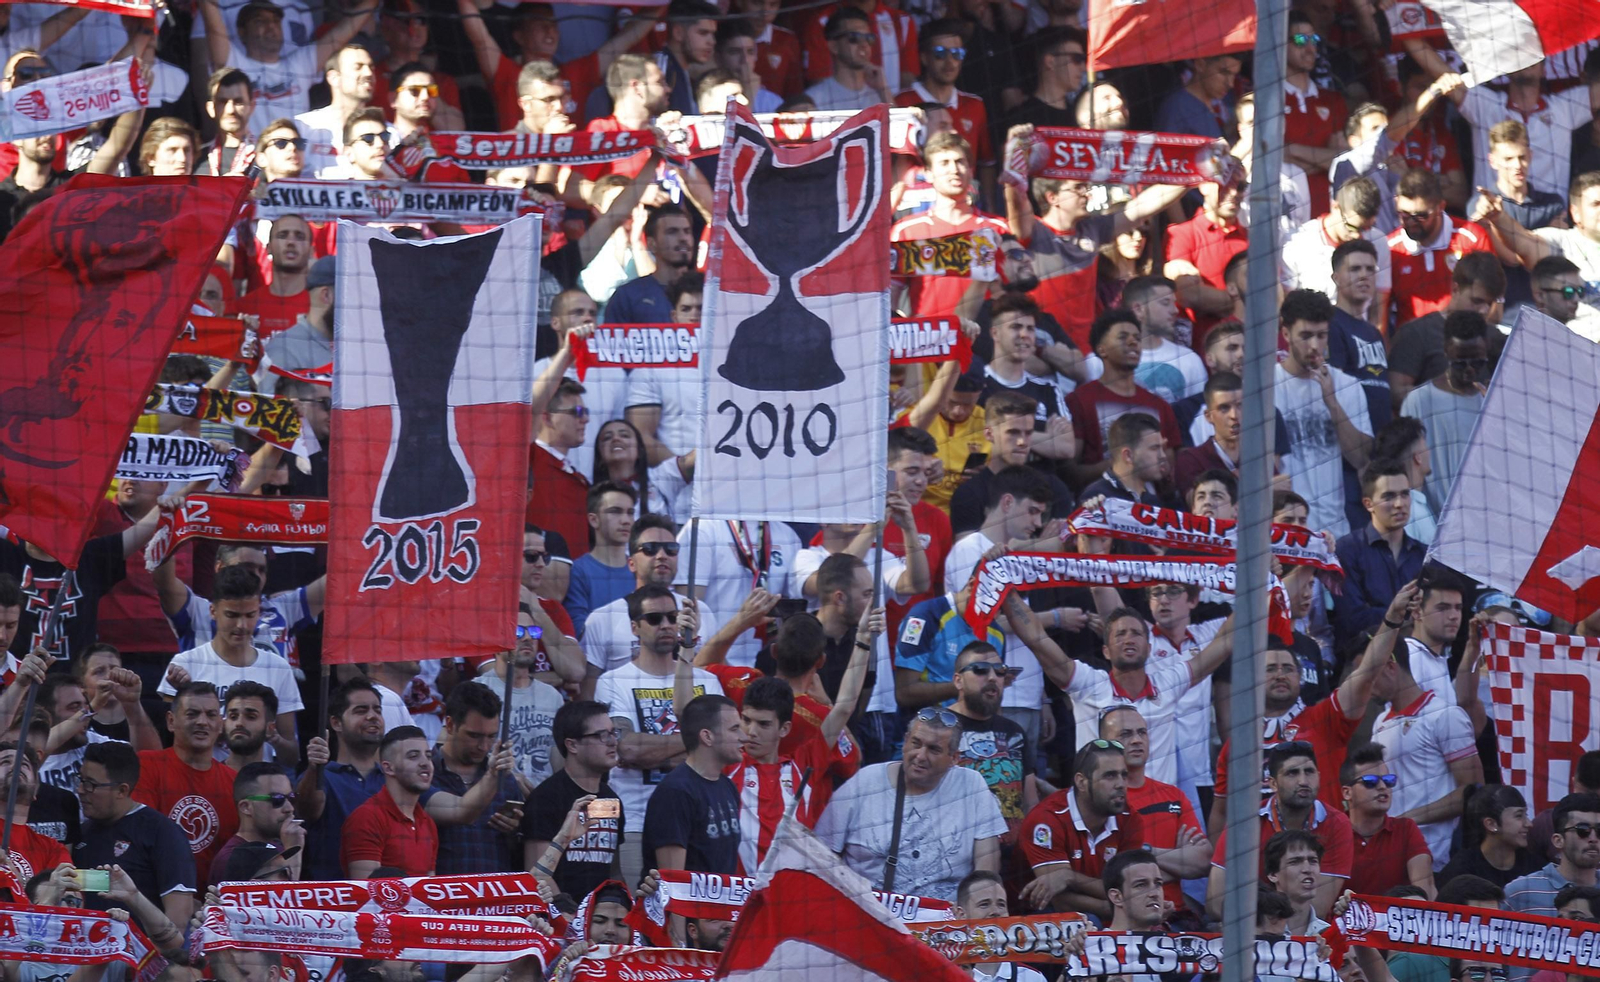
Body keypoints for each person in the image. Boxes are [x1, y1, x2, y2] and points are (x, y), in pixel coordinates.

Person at [1003, 126, 1190, 353]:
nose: (1087, 194)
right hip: (1045, 351)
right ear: (1052, 197)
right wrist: (1015, 152)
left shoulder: (1092, 228)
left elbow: (1143, 208)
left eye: (1087, 187)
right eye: (1078, 188)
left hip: (1089, 351)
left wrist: (1194, 173)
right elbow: (1016, 199)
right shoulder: (1033, 231)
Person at [595, 584, 724, 886]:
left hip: (703, 822)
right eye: (654, 619)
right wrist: (700, 744)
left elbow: (725, 752)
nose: (666, 625)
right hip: (637, 822)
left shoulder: (709, 680)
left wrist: (659, 752)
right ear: (634, 627)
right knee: (640, 919)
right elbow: (627, 749)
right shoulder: (613, 680)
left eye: (672, 617)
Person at [814, 708, 1006, 902]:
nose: (921, 756)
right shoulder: (865, 783)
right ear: (905, 741)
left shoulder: (971, 785)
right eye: (916, 743)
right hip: (871, 915)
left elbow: (986, 867)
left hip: (947, 921)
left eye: (934, 749)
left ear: (954, 758)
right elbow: (821, 854)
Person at [158, 564, 303, 766]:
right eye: (232, 615)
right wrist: (185, 698)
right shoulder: (185, 664)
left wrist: (268, 736)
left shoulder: (278, 667)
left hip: (256, 784)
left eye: (250, 615)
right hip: (200, 782)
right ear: (213, 611)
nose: (241, 626)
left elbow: (292, 757)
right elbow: (169, 740)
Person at [1370, 637, 1484, 871]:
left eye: (1369, 675)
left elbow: (1474, 792)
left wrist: (1408, 819)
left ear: (1391, 667)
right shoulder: (1379, 722)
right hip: (1388, 857)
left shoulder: (1446, 716)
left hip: (1435, 861)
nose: (1365, 685)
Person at [1207, 741, 1355, 920]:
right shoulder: (1244, 823)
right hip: (1251, 933)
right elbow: (1216, 903)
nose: (1303, 781)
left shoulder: (1337, 824)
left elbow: (1317, 908)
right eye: (1292, 773)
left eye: (1309, 772)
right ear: (1273, 784)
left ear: (1319, 776)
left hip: (1308, 936)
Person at [1275, 289, 1374, 537]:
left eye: (1321, 336)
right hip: (1283, 527)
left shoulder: (1348, 385)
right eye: (1305, 336)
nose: (1314, 346)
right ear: (1285, 334)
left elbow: (1361, 458)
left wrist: (1332, 402)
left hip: (1334, 529)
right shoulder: (1266, 387)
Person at [153, 542, 322, 686]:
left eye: (261, 570)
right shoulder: (197, 610)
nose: (255, 575)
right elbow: (164, 582)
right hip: (209, 720)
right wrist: (168, 521)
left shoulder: (284, 608)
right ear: (219, 567)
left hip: (269, 721)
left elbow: (338, 582)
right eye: (246, 567)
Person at [197, 0, 375, 132]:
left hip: (295, 162)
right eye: (260, 21)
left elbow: (344, 32)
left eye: (275, 21)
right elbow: (213, 25)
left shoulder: (299, 64)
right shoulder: (234, 64)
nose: (270, 26)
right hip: (250, 161)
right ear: (242, 32)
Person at [1017, 739, 1145, 920]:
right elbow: (1059, 899)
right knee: (1089, 922)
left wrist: (1070, 877)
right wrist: (1119, 909)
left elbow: (1129, 889)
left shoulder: (1130, 820)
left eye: (1123, 775)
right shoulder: (1045, 821)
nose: (1121, 784)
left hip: (1107, 908)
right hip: (1035, 916)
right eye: (1110, 776)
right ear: (1081, 782)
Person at [73, 741, 197, 926]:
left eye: (91, 784)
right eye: (81, 780)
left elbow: (178, 921)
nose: (81, 790)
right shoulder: (82, 834)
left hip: (142, 952)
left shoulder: (163, 834)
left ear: (122, 790)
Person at [1099, 706, 1211, 909]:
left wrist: (1142, 851)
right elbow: (1107, 870)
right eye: (1125, 734)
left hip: (1177, 917)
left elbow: (1202, 862)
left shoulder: (1173, 795)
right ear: (1105, 744)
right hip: (1122, 920)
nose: (1136, 740)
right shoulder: (1100, 799)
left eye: (1142, 732)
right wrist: (1177, 862)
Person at [583, 514, 719, 679]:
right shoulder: (602, 619)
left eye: (671, 549)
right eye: (650, 548)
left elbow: (717, 671)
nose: (662, 555)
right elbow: (588, 692)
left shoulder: (700, 611)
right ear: (631, 563)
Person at [890, 133, 1008, 320]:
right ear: (928, 174)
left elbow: (1010, 291)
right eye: (944, 163)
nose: (954, 169)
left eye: (960, 162)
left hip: (989, 339)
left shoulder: (998, 228)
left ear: (971, 170)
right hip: (932, 340)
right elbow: (890, 298)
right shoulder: (906, 230)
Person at [133, 681, 237, 890]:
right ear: (171, 722)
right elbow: (141, 840)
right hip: (154, 900)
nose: (202, 722)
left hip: (213, 905)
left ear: (220, 725)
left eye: (211, 715)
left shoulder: (235, 782)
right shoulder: (146, 765)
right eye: (192, 714)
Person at [522, 700, 625, 900]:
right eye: (601, 735)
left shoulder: (611, 799)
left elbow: (613, 871)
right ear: (572, 745)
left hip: (599, 922)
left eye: (613, 733)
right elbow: (536, 874)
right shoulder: (546, 798)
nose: (612, 741)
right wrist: (570, 919)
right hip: (558, 920)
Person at [1066, 310, 1184, 479]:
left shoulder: (1160, 406)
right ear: (1102, 349)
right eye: (1122, 337)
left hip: (1151, 503)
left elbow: (1169, 470)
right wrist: (1116, 466)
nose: (1132, 342)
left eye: (1137, 338)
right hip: (1101, 501)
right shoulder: (1079, 401)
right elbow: (1070, 471)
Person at [422, 682, 522, 874]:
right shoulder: (425, 775)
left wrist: (514, 831)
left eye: (492, 736)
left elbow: (517, 854)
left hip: (495, 896)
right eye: (474, 736)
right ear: (450, 725)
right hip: (442, 896)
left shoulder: (506, 781)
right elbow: (461, 813)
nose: (484, 746)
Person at [675, 519, 801, 668]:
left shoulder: (788, 535)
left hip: (769, 668)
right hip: (714, 665)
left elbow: (792, 612)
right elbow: (689, 610)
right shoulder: (702, 528)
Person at [1470, 121, 1570, 309]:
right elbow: (1513, 258)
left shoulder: (1553, 203)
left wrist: (1497, 227)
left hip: (1551, 313)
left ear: (1530, 156)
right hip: (1505, 315)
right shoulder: (1482, 206)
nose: (1517, 165)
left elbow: (1551, 260)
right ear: (1492, 161)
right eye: (1508, 159)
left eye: (1522, 157)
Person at [1386, 254, 1505, 411]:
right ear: (1455, 289)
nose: (1484, 310)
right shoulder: (1417, 333)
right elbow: (1396, 392)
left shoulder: (1495, 338)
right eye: (1476, 301)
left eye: (1489, 304)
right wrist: (1449, 403)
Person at [1400, 312, 1492, 513]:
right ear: (1446, 352)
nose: (1469, 370)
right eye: (1460, 363)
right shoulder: (1419, 401)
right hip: (1434, 524)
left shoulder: (1491, 401)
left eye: (1477, 362)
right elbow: (1407, 472)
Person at [947, 391, 1075, 536]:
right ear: (989, 434)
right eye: (1013, 432)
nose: (1022, 442)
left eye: (1028, 433)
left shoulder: (1054, 488)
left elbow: (1066, 549)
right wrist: (1040, 546)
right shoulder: (969, 493)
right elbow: (968, 554)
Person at [946, 642, 1038, 841]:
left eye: (999, 671)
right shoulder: (938, 727)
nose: (992, 677)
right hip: (955, 854)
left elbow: (1031, 804)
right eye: (980, 670)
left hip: (1012, 860)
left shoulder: (1014, 732)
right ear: (958, 681)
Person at [297, 679, 387, 880]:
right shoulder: (323, 776)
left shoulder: (394, 780)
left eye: (377, 710)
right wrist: (314, 768)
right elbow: (307, 810)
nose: (372, 716)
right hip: (334, 904)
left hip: (389, 898)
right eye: (361, 710)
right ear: (336, 723)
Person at [892, 20, 993, 198]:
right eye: (940, 53)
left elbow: (986, 162)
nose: (950, 61)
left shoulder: (975, 105)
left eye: (957, 54)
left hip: (967, 202)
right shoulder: (902, 101)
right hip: (913, 202)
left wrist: (990, 205)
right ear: (924, 58)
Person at [643, 694, 742, 873]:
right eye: (734, 729)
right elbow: (673, 880)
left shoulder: (728, 787)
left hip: (722, 900)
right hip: (687, 901)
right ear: (707, 737)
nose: (743, 737)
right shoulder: (674, 793)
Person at [1332, 460, 1426, 647]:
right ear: (1368, 504)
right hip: (1363, 659)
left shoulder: (1425, 556)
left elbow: (1433, 615)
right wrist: (1408, 615)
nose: (1399, 504)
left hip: (1416, 657)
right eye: (1389, 497)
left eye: (1405, 494)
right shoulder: (1347, 550)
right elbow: (1354, 619)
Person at [1281, 177, 1393, 330]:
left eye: (1365, 229)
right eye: (1352, 227)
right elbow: (1287, 309)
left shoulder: (1378, 241)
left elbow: (1378, 313)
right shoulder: (1297, 243)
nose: (1357, 235)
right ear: (1335, 207)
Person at [1388, 170, 1496, 326]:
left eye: (1420, 216)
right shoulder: (1390, 249)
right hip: (1411, 343)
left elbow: (1494, 306)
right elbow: (1380, 315)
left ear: (1440, 207)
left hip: (1462, 337)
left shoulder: (1472, 238)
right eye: (1404, 214)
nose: (1411, 222)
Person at [974, 294, 1074, 457]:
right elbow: (975, 439)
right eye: (1015, 327)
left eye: (1030, 329)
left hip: (1041, 480)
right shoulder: (978, 385)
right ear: (995, 333)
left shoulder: (1048, 389)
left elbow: (1066, 448)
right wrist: (1046, 438)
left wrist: (1005, 433)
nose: (1024, 334)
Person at [623, 272, 707, 464]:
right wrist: (686, 469)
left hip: (730, 480)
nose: (694, 315)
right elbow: (640, 436)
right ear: (674, 316)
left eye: (701, 308)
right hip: (673, 485)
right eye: (686, 309)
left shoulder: (738, 364)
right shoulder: (651, 368)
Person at [477, 608, 564, 790]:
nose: (527, 638)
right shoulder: (477, 691)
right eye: (517, 631)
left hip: (542, 802)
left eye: (533, 632)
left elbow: (559, 763)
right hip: (492, 800)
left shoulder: (552, 697)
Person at [341, 725, 444, 878]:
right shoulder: (367, 818)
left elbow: (430, 889)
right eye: (413, 756)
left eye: (428, 756)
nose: (425, 763)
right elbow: (367, 894)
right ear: (388, 768)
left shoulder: (428, 823)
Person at [1341, 742, 1435, 898]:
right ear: (1347, 793)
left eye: (1388, 780)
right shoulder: (1331, 834)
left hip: (1400, 921)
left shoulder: (1406, 829)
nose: (1382, 786)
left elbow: (1426, 894)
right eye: (1370, 781)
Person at [1328, 240, 1393, 427]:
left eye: (1370, 269)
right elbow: (1333, 390)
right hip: (1351, 439)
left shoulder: (1374, 332)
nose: (1364, 275)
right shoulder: (1331, 324)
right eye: (1355, 269)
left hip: (1381, 443)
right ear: (1336, 278)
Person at [529, 380, 593, 566]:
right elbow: (531, 408)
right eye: (577, 412)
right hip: (540, 578)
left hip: (577, 586)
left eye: (585, 412)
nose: (585, 419)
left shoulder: (578, 478)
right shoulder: (528, 457)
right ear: (547, 418)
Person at [1504, 792, 1600, 916]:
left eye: (1599, 831)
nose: (1593, 838)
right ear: (1558, 840)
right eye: (1582, 830)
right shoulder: (1520, 893)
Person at [565, 483, 640, 637]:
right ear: (594, 520)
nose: (626, 520)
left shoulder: (641, 568)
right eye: (615, 512)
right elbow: (580, 631)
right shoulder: (577, 572)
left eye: (630, 513)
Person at [1438, 785, 1546, 889]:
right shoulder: (1460, 872)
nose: (1529, 824)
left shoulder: (1536, 869)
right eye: (1519, 816)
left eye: (1526, 815)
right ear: (1491, 824)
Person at [212, 761, 302, 881]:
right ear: (246, 807)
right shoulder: (231, 858)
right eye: (277, 799)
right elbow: (284, 897)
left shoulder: (278, 848)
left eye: (291, 798)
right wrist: (294, 850)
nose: (289, 808)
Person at [953, 871, 1049, 982]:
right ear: (961, 915)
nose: (995, 911)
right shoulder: (943, 976)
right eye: (984, 904)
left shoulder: (1032, 978)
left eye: (1001, 904)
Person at [293, 43, 373, 177]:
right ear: (334, 78)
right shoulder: (304, 126)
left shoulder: (387, 132)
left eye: (371, 67)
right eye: (358, 67)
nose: (369, 73)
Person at [1123, 275, 1207, 402]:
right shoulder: (1104, 361)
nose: (1175, 310)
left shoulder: (1189, 360)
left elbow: (1201, 416)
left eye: (1174, 303)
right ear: (1139, 309)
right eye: (1165, 303)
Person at [1001, 27, 1090, 133]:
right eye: (1077, 59)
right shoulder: (1020, 122)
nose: (1083, 68)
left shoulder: (1082, 119)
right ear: (1050, 62)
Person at [803, 7, 891, 111]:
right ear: (834, 46)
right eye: (854, 37)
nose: (864, 44)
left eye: (869, 38)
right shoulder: (813, 99)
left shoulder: (881, 96)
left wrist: (883, 90)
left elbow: (898, 126)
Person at [1154, 53, 1240, 139]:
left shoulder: (1212, 108)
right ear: (1200, 65)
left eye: (1234, 75)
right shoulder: (1177, 108)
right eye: (1224, 73)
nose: (1230, 83)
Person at [202, 68, 258, 176]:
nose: (230, 110)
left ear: (252, 106)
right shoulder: (196, 158)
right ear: (210, 108)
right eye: (222, 102)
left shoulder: (266, 156)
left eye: (238, 102)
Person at [1530, 255, 1591, 326]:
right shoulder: (1524, 335)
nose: (1576, 299)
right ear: (1541, 296)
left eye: (1580, 291)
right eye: (1568, 292)